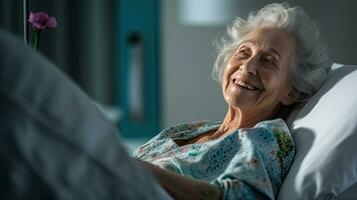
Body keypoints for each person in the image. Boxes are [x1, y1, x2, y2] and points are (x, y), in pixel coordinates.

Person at [132, 3, 330, 200]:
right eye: (244, 52)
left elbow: (239, 196)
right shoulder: (192, 129)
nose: (248, 66)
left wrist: (141, 171)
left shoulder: (267, 137)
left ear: (292, 92)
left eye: (268, 60)